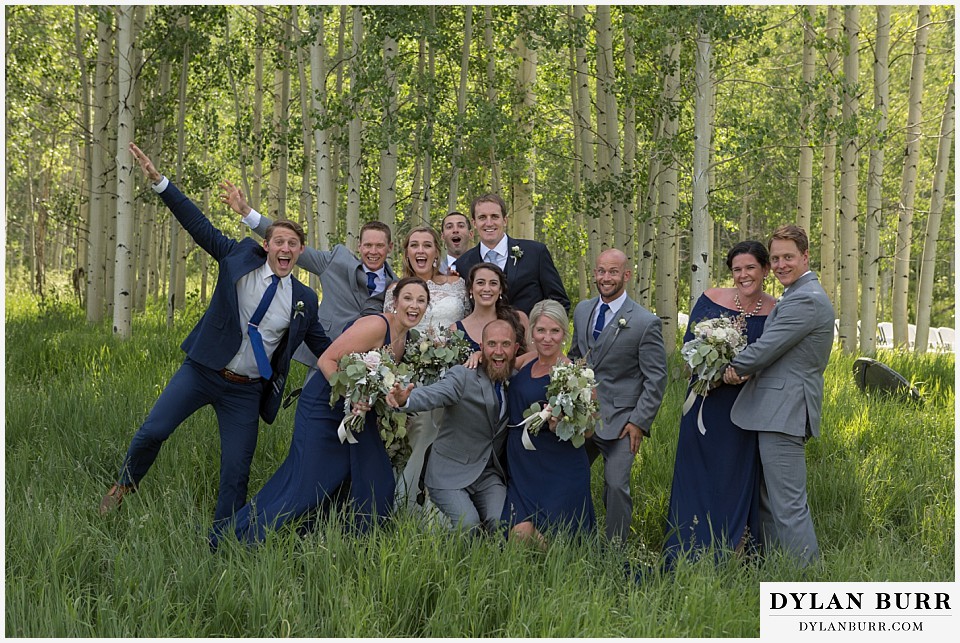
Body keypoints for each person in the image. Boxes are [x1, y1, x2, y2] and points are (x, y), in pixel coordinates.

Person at [100, 143, 330, 528]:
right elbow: (199, 226)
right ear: (266, 246)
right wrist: (160, 183)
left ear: (300, 250)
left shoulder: (304, 298)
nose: (285, 248)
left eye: (293, 244)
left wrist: (367, 365)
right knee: (152, 431)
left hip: (246, 390)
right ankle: (124, 485)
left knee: (236, 472)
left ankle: (223, 538)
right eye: (279, 242)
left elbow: (324, 346)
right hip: (203, 370)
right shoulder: (238, 257)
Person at [213, 277, 431, 547]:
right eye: (408, 298)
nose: (414, 305)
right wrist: (353, 395)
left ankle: (358, 542)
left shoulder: (407, 339)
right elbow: (326, 359)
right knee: (306, 485)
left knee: (377, 479)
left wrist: (393, 398)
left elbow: (380, 383)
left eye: (421, 300)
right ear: (395, 301)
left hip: (358, 416)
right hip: (324, 406)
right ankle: (238, 538)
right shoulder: (376, 325)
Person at [722, 225, 834, 567]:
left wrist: (730, 369)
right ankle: (778, 570)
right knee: (771, 502)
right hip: (775, 409)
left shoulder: (806, 299)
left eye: (788, 257)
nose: (782, 264)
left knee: (788, 505)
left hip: (785, 410)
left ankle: (809, 581)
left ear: (805, 257)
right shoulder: (798, 295)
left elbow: (767, 348)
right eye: (776, 258)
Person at [663, 240, 776, 567]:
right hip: (705, 406)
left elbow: (776, 358)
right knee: (698, 477)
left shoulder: (777, 310)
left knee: (735, 478)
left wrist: (746, 373)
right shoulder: (711, 299)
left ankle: (733, 553)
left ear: (765, 270)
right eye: (737, 269)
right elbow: (687, 351)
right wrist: (710, 369)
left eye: (750, 268)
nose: (743, 275)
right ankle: (688, 548)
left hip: (746, 412)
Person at [221, 181, 397, 381]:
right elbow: (285, 240)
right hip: (322, 357)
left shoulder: (397, 287)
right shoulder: (336, 261)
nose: (373, 252)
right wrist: (246, 211)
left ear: (389, 247)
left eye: (379, 246)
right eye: (368, 245)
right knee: (311, 411)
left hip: (367, 368)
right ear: (359, 246)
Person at [568, 249, 667, 543]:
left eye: (612, 272)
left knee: (615, 485)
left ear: (626, 275)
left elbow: (656, 378)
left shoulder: (644, 322)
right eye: (601, 271)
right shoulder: (583, 309)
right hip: (583, 417)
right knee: (568, 477)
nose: (605, 278)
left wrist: (639, 422)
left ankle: (615, 549)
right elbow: (576, 355)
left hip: (623, 422)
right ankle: (569, 536)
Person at [387, 319, 519, 535]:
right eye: (492, 344)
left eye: (505, 344)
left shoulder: (515, 379)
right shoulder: (463, 376)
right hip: (449, 472)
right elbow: (436, 393)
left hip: (487, 474)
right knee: (469, 525)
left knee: (501, 522)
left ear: (515, 349)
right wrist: (405, 400)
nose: (498, 351)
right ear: (482, 347)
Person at [383, 226, 469, 509]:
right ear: (406, 252)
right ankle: (405, 505)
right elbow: (393, 335)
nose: (421, 250)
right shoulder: (395, 290)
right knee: (415, 437)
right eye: (414, 245)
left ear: (436, 252)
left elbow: (468, 326)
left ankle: (443, 505)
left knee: (449, 439)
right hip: (412, 376)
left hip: (453, 375)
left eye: (427, 245)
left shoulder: (457, 285)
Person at [501, 300, 595, 545]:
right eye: (541, 330)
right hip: (522, 468)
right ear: (531, 331)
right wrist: (480, 353)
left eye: (555, 331)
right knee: (516, 533)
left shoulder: (573, 374)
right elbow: (497, 363)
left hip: (558, 469)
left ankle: (561, 569)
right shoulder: (527, 361)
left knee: (554, 541)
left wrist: (563, 424)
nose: (547, 338)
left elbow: (589, 430)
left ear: (564, 333)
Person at [453, 194, 570, 316]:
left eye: (494, 216)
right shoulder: (463, 264)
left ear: (504, 220)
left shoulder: (535, 253)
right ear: (474, 223)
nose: (489, 223)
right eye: (482, 217)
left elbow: (559, 302)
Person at [454, 262, 528, 355]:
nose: (487, 289)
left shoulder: (519, 319)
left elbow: (532, 360)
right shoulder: (456, 330)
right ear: (471, 289)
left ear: (500, 289)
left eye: (493, 283)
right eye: (480, 283)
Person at [439, 211, 474, 275]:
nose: (455, 230)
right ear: (442, 236)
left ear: (471, 234)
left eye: (461, 226)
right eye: (449, 227)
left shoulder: (483, 266)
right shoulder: (436, 272)